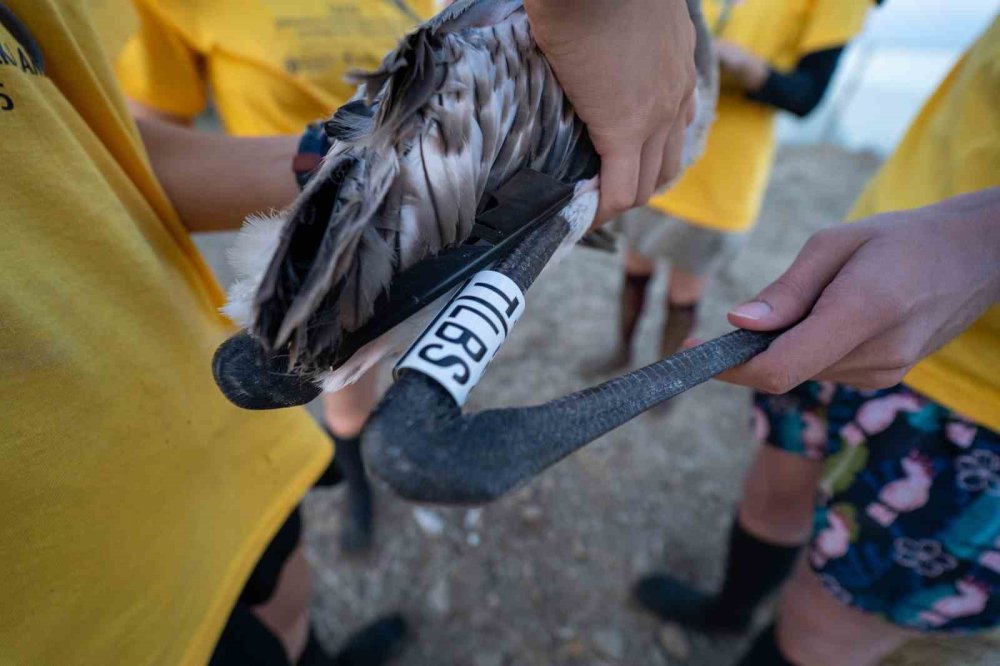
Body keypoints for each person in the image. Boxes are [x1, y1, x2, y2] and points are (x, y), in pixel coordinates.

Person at [0, 0, 698, 663]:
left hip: (211, 427)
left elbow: (92, 147)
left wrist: (342, 163)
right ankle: (364, 486)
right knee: (350, 420)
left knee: (288, 602)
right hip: (67, 605)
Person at [634, 15, 1000, 666]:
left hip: (982, 403)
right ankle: (729, 610)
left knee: (823, 629)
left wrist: (985, 240)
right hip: (855, 286)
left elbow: (804, 90)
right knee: (773, 492)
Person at [115, 0, 439, 554]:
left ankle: (351, 466)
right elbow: (138, 158)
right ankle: (355, 483)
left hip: (423, 213)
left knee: (404, 363)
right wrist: (335, 172)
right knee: (343, 383)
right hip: (306, 231)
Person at [599, 0, 872, 371]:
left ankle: (663, 379)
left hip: (724, 172)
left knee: (684, 290)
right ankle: (620, 352)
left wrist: (749, 67)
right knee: (635, 265)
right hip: (660, 150)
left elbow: (806, 97)